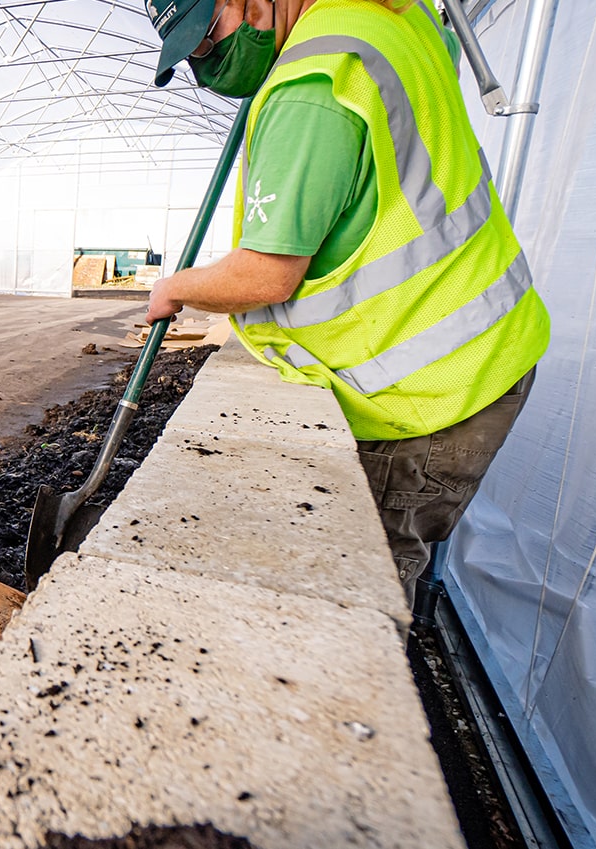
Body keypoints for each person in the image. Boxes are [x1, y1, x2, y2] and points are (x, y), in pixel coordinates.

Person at [142, 0, 550, 610]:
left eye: (206, 39)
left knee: (361, 594)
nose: (207, 66)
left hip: (426, 390)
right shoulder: (384, 19)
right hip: (477, 347)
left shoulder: (312, 81)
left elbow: (267, 273)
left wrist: (174, 288)